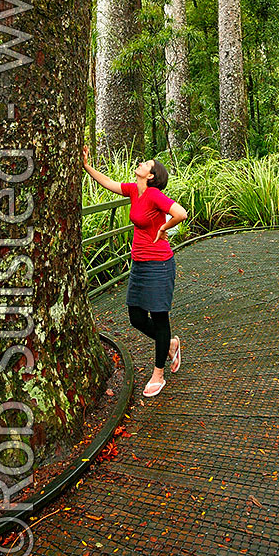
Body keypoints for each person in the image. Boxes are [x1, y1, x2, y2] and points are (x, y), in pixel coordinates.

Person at [82, 146, 188, 397]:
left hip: (159, 264)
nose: (140, 164)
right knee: (136, 317)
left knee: (160, 317)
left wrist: (164, 229)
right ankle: (170, 344)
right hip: (139, 264)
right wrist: (85, 166)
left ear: (151, 175)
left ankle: (158, 373)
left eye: (145, 164)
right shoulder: (133, 190)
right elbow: (109, 183)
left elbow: (180, 213)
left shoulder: (153, 195)